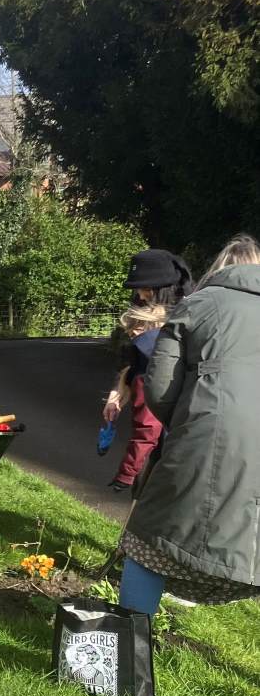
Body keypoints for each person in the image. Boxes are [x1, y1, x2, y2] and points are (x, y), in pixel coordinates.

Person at [118, 235, 260, 616]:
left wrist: (188, 424)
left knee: (146, 542)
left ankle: (133, 640)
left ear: (220, 269)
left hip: (207, 435)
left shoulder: (196, 305)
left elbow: (159, 388)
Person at [102, 302, 165, 492]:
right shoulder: (172, 355)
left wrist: (126, 474)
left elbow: (147, 428)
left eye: (130, 334)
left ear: (137, 330)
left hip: (164, 455)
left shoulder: (147, 375)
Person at [123, 247, 193, 308]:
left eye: (146, 289)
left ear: (164, 289)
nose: (141, 297)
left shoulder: (190, 312)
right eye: (137, 289)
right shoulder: (139, 305)